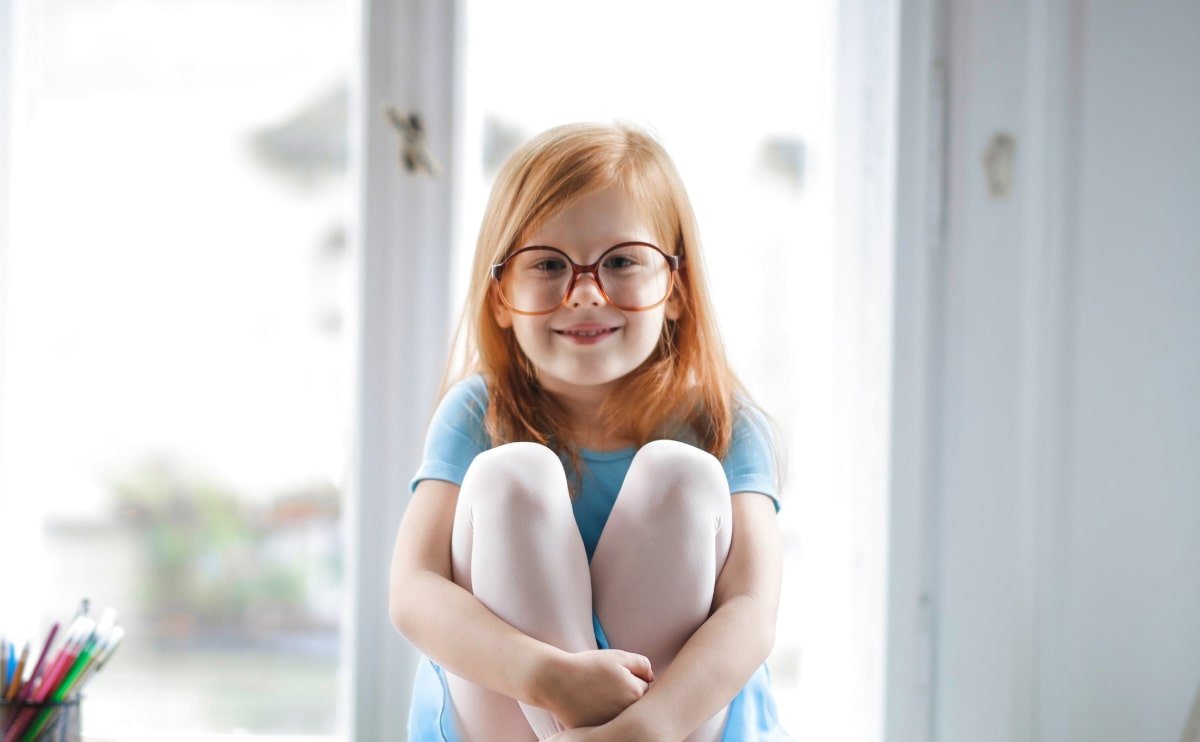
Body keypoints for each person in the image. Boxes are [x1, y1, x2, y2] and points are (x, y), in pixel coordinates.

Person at [389, 122, 790, 742]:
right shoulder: (477, 413)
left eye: (622, 261)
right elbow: (413, 591)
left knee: (681, 476)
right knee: (511, 476)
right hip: (508, 716)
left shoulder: (723, 422)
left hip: (675, 726)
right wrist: (548, 677)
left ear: (676, 289)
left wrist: (648, 726)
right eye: (548, 264)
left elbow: (751, 611)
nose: (583, 294)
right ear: (501, 298)